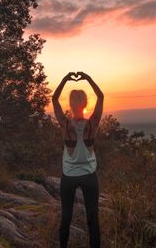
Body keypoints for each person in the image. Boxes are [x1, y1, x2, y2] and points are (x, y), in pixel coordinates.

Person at [52, 71, 104, 248]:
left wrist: (65, 78)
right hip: (89, 175)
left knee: (66, 216)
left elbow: (54, 99)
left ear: (71, 104)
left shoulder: (65, 124)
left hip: (69, 176)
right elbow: (101, 96)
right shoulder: (92, 124)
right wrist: (88, 78)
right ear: (86, 103)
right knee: (93, 217)